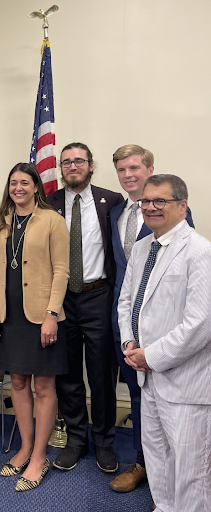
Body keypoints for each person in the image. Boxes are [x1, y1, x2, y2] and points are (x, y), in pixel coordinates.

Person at [118, 174, 210, 512]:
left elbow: (199, 325)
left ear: (182, 206)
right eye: (146, 201)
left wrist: (150, 355)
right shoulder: (143, 247)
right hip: (148, 376)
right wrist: (130, 343)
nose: (151, 207)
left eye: (161, 201)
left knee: (190, 468)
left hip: (185, 382)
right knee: (156, 454)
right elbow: (127, 301)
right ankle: (166, 507)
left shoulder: (200, 252)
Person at [109, 145, 194, 493]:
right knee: (137, 395)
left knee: (170, 406)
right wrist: (128, 335)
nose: (128, 175)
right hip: (125, 322)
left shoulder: (173, 214)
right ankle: (145, 462)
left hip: (164, 331)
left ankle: (171, 470)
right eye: (122, 170)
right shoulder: (115, 211)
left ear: (149, 169)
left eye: (134, 168)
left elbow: (183, 281)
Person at [0, 163, 70, 491]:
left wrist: (52, 314)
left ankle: (39, 456)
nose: (18, 188)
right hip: (9, 317)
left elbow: (61, 270)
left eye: (24, 182)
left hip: (41, 316)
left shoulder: (52, 220)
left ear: (36, 186)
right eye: (13, 183)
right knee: (18, 383)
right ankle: (24, 446)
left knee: (44, 387)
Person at [47, 142, 124, 472]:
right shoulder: (47, 203)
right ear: (61, 169)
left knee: (102, 373)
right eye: (66, 162)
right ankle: (77, 440)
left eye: (79, 161)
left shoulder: (112, 201)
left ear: (91, 166)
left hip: (98, 296)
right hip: (61, 299)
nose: (72, 166)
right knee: (67, 374)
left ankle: (104, 441)